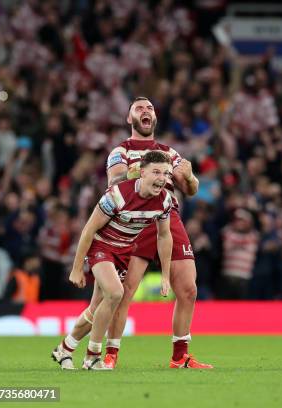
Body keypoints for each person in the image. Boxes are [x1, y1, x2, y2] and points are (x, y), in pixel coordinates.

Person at [104, 97, 211, 369]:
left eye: (149, 108)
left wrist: (188, 176)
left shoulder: (168, 152)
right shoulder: (121, 151)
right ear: (129, 119)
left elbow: (191, 189)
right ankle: (111, 354)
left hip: (168, 217)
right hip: (134, 221)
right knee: (125, 291)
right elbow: (115, 181)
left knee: (188, 289)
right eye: (139, 108)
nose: (145, 111)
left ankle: (180, 357)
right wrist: (145, 172)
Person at [51, 151, 174, 370]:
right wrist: (77, 268)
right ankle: (92, 357)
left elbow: (164, 236)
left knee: (96, 307)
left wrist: (166, 275)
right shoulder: (117, 195)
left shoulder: (164, 200)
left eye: (165, 173)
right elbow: (89, 229)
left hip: (124, 252)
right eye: (156, 172)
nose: (162, 178)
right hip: (101, 247)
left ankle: (65, 349)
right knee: (116, 293)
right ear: (142, 173)